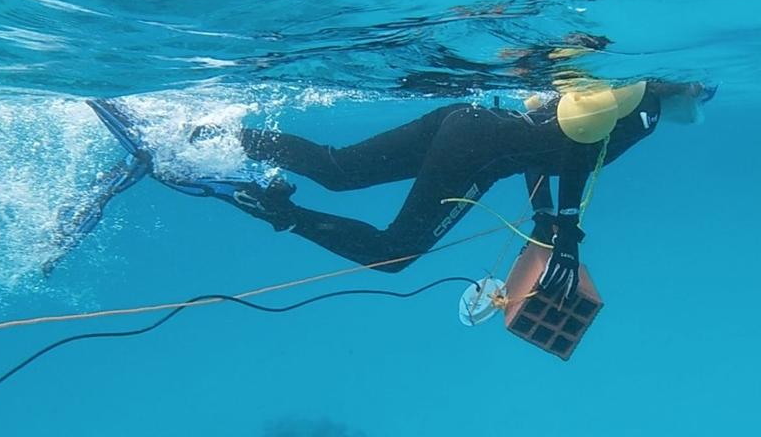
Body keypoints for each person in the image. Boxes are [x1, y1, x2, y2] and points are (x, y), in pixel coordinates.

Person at [50, 79, 715, 300]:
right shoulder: (645, 110)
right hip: (484, 147)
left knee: (341, 168)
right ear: (681, 85)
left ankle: (197, 132)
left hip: (471, 121)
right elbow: (570, 152)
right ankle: (273, 210)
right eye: (703, 91)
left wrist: (549, 222)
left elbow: (555, 143)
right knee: (394, 256)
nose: (703, 101)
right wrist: (562, 233)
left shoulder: (622, 90)